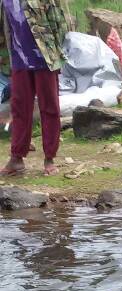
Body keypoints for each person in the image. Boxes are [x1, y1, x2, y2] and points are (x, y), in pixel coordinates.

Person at [0, 0, 69, 177]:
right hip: (18, 60)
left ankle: (49, 158)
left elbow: (59, 23)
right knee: (20, 108)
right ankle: (16, 158)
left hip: (44, 59)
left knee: (49, 107)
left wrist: (55, 52)